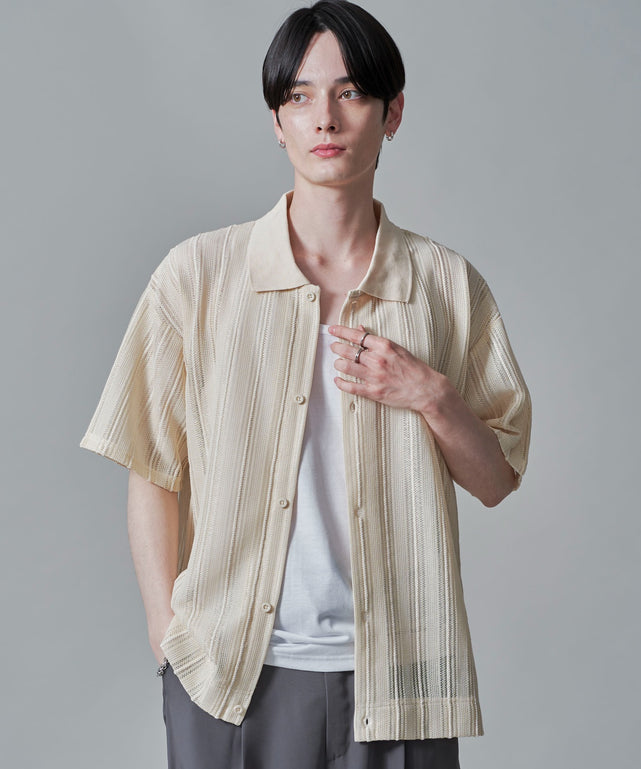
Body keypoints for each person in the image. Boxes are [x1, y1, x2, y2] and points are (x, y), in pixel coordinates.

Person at [80, 2, 531, 767]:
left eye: (350, 92)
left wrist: (430, 393)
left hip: (402, 679)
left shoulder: (445, 286)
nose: (325, 117)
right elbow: (150, 467)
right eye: (299, 95)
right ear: (277, 120)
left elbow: (495, 479)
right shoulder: (197, 277)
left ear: (391, 113)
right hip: (231, 676)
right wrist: (166, 633)